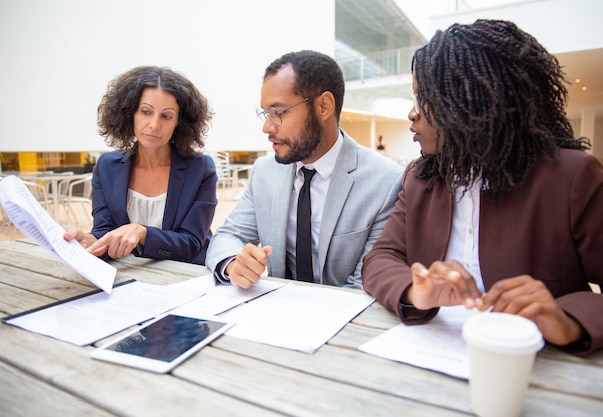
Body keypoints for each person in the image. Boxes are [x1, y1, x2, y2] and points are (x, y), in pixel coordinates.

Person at [361, 20, 603, 355]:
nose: (412, 114)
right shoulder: (420, 177)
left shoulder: (571, 177)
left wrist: (567, 318)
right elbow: (381, 257)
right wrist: (416, 292)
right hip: (431, 353)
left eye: (424, 97)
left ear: (476, 100)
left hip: (539, 367)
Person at [206, 50, 403, 289]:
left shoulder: (385, 181)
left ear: (324, 106)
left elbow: (367, 283)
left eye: (278, 113)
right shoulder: (265, 171)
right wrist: (234, 263)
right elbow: (226, 236)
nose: (267, 127)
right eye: (265, 114)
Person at [64, 66, 217, 265]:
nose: (154, 124)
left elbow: (191, 243)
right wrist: (88, 241)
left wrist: (142, 232)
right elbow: (105, 231)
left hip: (185, 276)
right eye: (146, 112)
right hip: (128, 277)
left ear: (179, 122)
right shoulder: (106, 167)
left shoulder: (200, 169)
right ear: (130, 114)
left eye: (166, 116)